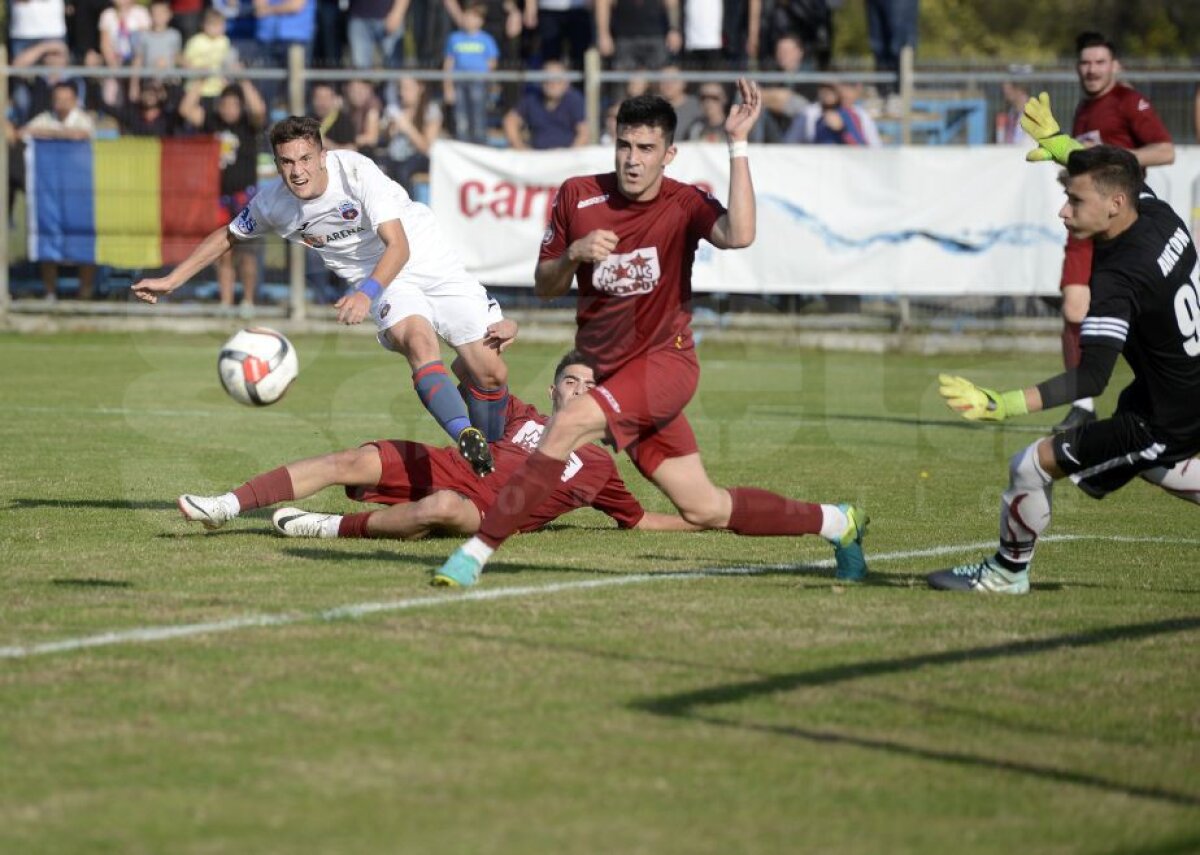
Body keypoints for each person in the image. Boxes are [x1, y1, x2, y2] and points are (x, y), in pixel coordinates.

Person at [433, 83, 869, 588]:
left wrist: (738, 146)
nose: (632, 160)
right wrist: (573, 253)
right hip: (616, 377)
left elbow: (740, 234)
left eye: (645, 149)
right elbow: (544, 285)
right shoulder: (578, 195)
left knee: (567, 422)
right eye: (624, 146)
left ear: (669, 154)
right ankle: (838, 522)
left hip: (667, 364)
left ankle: (475, 553)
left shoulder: (683, 203)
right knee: (704, 508)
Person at [131, 116, 510, 477]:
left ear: (322, 156)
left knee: (490, 373)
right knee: (418, 341)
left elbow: (398, 247)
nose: (297, 171)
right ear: (277, 164)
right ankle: (465, 435)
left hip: (425, 258)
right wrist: (173, 279)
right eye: (287, 162)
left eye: (305, 159)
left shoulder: (355, 172)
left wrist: (364, 295)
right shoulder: (273, 203)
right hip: (382, 283)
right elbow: (228, 235)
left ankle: (494, 466)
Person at [929, 99, 1200, 595]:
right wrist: (1061, 147)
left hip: (1167, 414)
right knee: (1151, 460)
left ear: (1114, 205)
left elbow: (1090, 378)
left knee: (1029, 464)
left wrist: (1004, 404)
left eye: (1075, 201)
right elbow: (1120, 176)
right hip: (1179, 391)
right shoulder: (1159, 216)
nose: (1063, 209)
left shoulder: (1118, 279)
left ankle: (1006, 574)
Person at [177, 350, 701, 540]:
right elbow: (464, 374)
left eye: (590, 387)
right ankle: (225, 505)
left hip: (481, 509)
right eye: (571, 382)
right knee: (350, 459)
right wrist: (482, 349)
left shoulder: (599, 467)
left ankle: (332, 527)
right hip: (447, 464)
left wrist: (703, 518)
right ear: (554, 390)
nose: (580, 392)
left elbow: (637, 521)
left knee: (445, 509)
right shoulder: (521, 414)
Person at [1053, 31, 1174, 434]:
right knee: (1073, 308)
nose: (1092, 69)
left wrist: (1113, 163)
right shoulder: (1085, 110)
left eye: (1100, 62)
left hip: (1120, 226)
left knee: (1140, 319)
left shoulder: (1128, 102)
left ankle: (1161, 395)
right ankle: (1082, 406)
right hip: (1085, 223)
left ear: (1115, 66)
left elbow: (1165, 150)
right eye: (1085, 63)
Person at [179, 78, 267, 310]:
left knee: (247, 253)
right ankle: (225, 302)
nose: (228, 109)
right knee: (222, 252)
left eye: (233, 105)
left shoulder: (249, 126)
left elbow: (259, 110)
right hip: (217, 199)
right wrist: (203, 78)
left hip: (245, 199)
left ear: (240, 106)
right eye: (225, 104)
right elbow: (186, 109)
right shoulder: (212, 123)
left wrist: (244, 81)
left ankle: (248, 301)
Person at [21, 81, 99, 302]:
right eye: (58, 99)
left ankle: (85, 292)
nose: (62, 103)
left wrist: (51, 135)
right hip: (50, 191)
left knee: (84, 238)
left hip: (81, 191)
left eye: (66, 99)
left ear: (75, 100)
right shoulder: (45, 118)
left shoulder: (84, 119)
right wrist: (59, 133)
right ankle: (50, 293)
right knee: (47, 235)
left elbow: (83, 134)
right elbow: (24, 132)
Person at [443, 2, 500, 145]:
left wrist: (490, 82)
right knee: (460, 116)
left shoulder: (487, 39)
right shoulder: (454, 38)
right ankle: (462, 143)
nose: (469, 20)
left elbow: (492, 63)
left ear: (481, 21)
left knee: (478, 114)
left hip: (479, 82)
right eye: (467, 16)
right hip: (459, 82)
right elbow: (448, 63)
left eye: (474, 17)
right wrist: (448, 87)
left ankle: (479, 144)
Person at [502, 58, 587, 150]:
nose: (552, 84)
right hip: (538, 156)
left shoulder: (574, 99)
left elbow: (584, 132)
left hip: (567, 155)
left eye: (557, 80)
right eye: (547, 79)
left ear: (566, 83)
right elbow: (510, 121)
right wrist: (520, 147)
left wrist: (571, 154)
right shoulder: (532, 98)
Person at [382, 76, 443, 192]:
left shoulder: (431, 110)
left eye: (407, 88)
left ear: (420, 88)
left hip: (420, 158)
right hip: (395, 156)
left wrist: (408, 128)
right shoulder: (395, 110)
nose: (402, 93)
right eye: (400, 88)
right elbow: (384, 140)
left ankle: (406, 208)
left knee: (403, 170)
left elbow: (426, 148)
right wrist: (389, 132)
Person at [785, 81, 881, 146]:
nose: (826, 95)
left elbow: (860, 144)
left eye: (831, 92)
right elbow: (792, 142)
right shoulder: (813, 115)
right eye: (824, 91)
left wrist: (841, 129)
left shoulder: (850, 114)